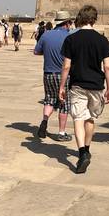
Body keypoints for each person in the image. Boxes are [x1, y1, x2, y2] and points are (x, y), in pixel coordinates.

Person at [59, 5, 109, 173]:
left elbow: (66, 66)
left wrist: (62, 86)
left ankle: (82, 152)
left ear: (80, 18)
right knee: (90, 118)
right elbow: (108, 67)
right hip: (96, 85)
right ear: (94, 19)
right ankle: (87, 149)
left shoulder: (71, 39)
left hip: (77, 85)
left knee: (78, 119)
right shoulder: (102, 39)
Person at [34, 11, 75, 142]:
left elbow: (36, 51)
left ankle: (44, 121)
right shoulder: (69, 37)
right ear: (67, 23)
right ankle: (61, 133)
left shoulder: (46, 35)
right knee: (64, 103)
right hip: (63, 75)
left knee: (49, 100)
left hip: (48, 73)